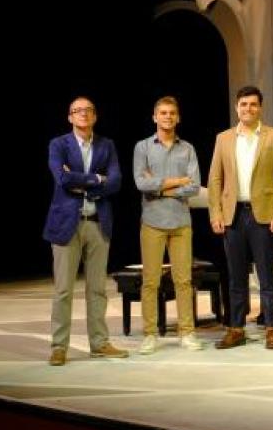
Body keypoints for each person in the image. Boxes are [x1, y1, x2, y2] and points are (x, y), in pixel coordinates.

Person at [44, 96, 127, 365]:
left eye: (88, 110)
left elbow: (115, 182)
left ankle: (99, 343)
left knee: (98, 290)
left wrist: (83, 181)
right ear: (70, 117)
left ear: (95, 116)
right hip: (67, 224)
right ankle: (59, 347)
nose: (83, 114)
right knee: (63, 290)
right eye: (77, 111)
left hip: (98, 224)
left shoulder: (107, 145)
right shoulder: (58, 144)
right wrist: (95, 179)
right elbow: (62, 178)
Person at [209, 86, 273, 351]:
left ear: (260, 108)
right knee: (236, 277)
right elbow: (215, 178)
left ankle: (271, 327)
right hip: (233, 215)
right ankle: (236, 328)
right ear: (237, 107)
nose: (248, 109)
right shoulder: (223, 138)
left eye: (253, 104)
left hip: (264, 215)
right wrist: (216, 212)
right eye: (243, 104)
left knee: (267, 275)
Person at [133, 96, 203, 354]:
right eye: (162, 113)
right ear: (154, 117)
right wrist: (177, 182)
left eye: (172, 113)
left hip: (181, 223)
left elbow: (194, 187)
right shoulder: (143, 148)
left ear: (178, 117)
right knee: (150, 281)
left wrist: (160, 186)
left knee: (183, 281)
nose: (167, 117)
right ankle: (150, 334)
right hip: (152, 222)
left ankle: (187, 332)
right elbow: (141, 184)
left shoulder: (188, 149)